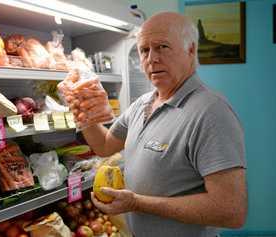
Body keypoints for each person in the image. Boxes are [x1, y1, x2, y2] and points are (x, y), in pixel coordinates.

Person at [61, 12, 247, 237]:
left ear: (191, 50)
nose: (152, 59)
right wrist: (82, 107)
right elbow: (104, 146)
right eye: (144, 50)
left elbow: (230, 211)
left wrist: (137, 203)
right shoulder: (141, 104)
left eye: (162, 47)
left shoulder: (211, 113)